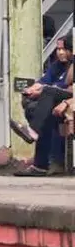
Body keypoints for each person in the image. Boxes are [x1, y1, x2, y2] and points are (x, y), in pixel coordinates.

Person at [17, 36, 74, 176]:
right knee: (34, 108)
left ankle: (32, 132)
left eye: (64, 49)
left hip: (68, 99)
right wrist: (32, 89)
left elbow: (70, 86)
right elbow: (43, 81)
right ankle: (40, 166)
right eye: (58, 49)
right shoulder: (56, 66)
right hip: (53, 100)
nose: (60, 52)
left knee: (48, 92)